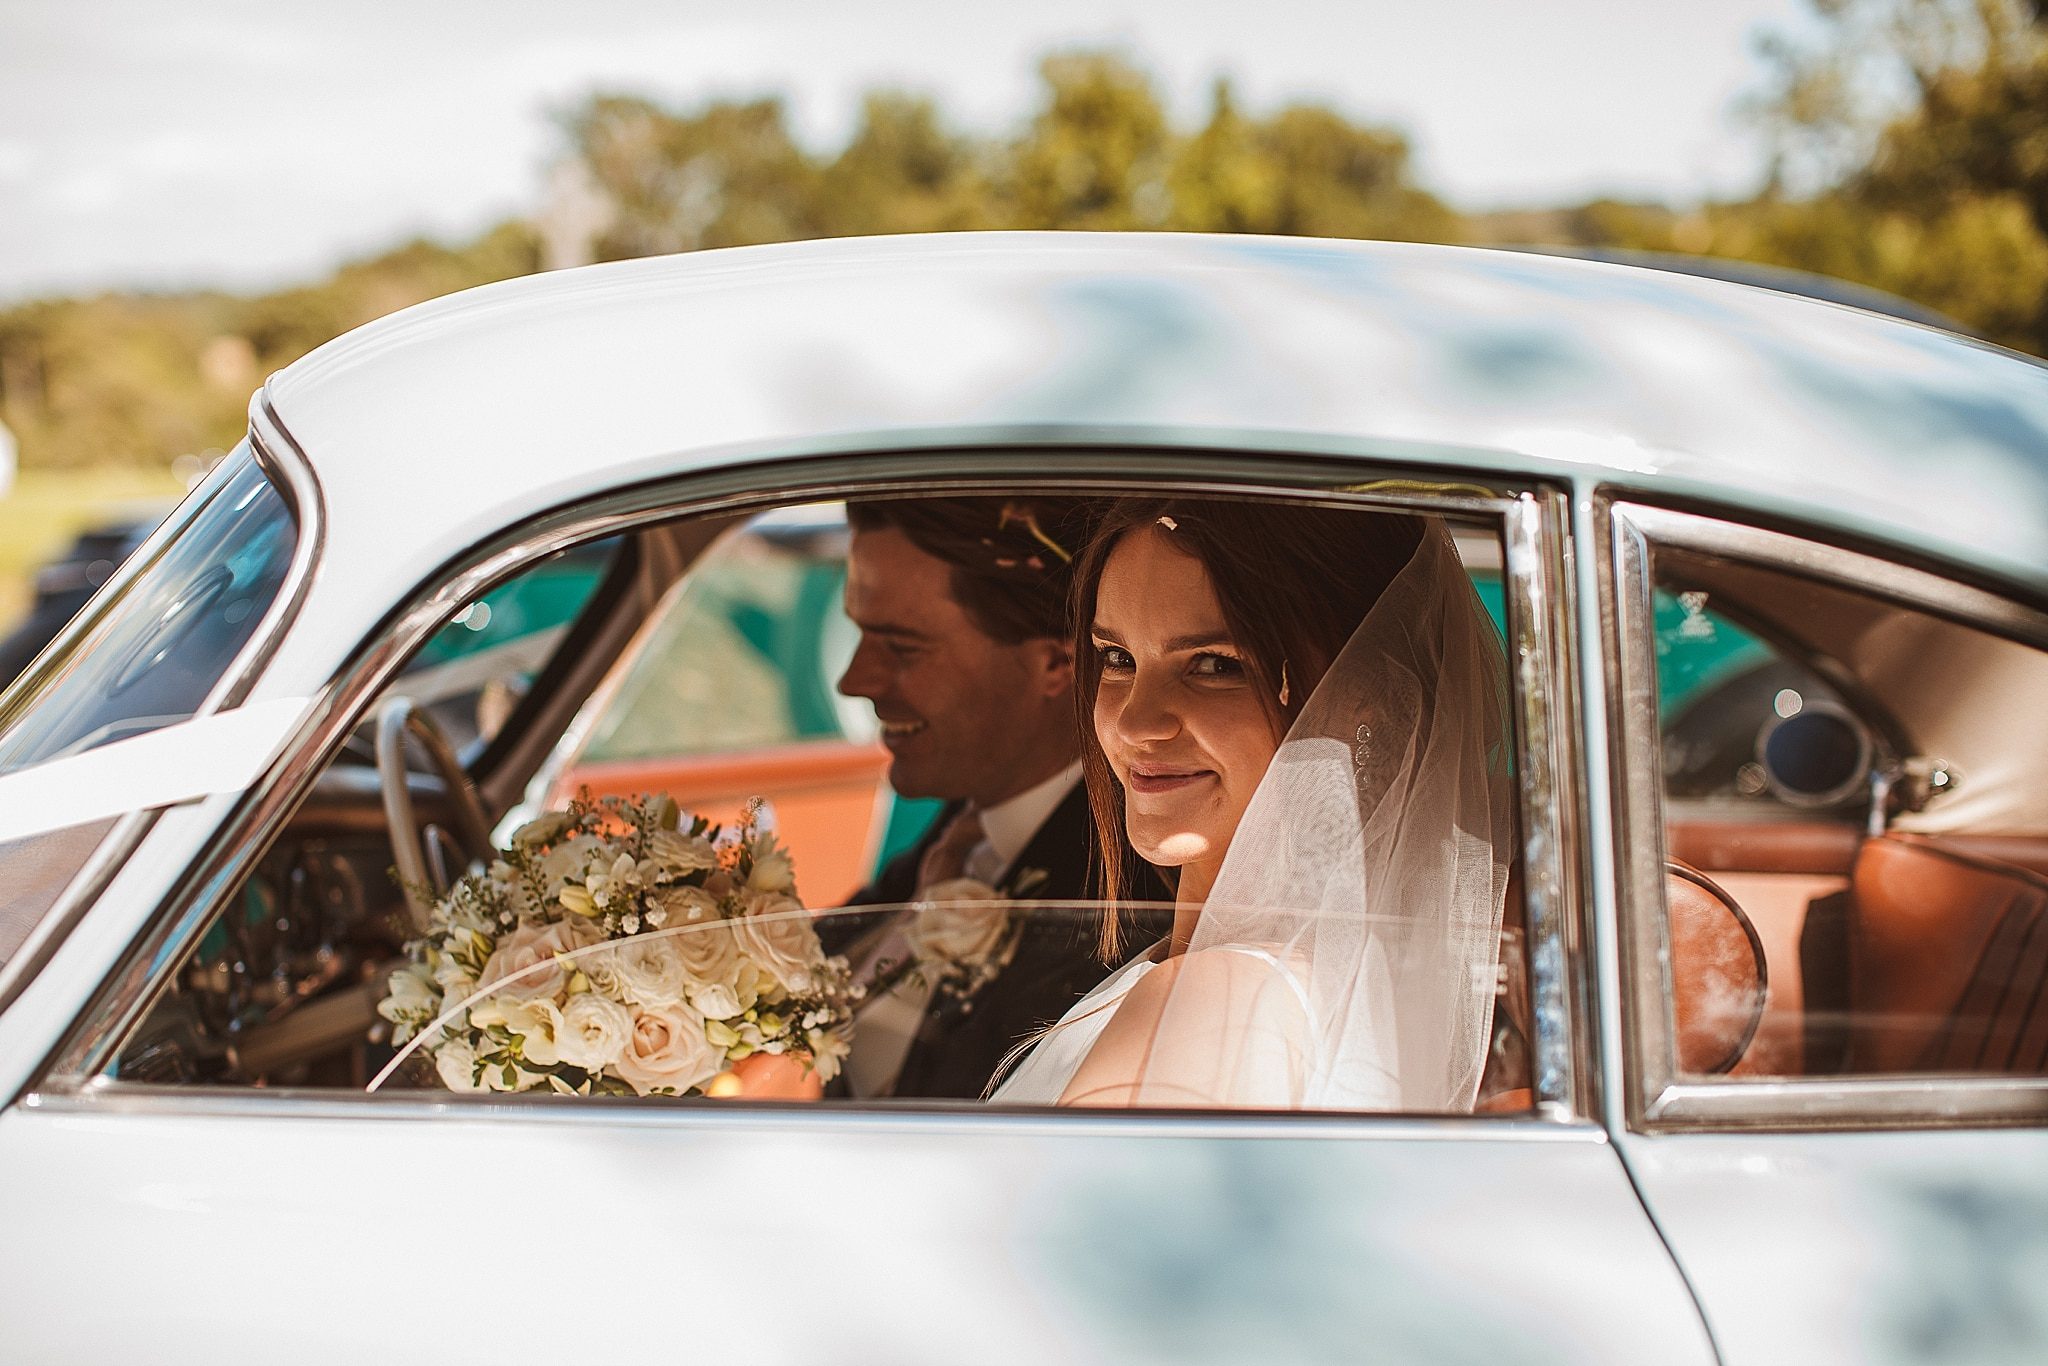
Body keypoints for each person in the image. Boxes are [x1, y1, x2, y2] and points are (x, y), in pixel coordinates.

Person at [990, 498, 1517, 1111]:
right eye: (1117, 659)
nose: (1136, 722)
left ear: (1361, 700)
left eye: (1215, 666)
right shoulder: (1293, 987)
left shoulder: (1219, 1004)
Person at [833, 494, 1156, 1099]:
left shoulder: (1119, 897)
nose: (853, 680)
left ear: (1058, 663)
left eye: (900, 648)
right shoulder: (968, 822)